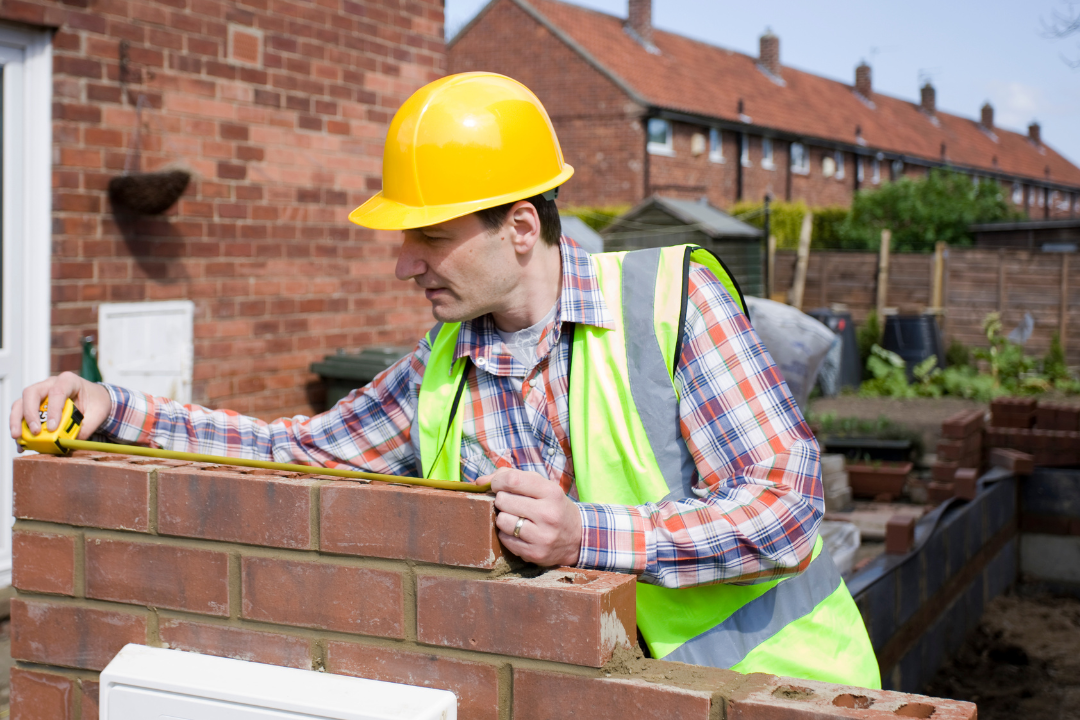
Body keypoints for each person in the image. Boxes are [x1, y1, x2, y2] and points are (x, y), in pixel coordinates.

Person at [11, 72, 879, 687]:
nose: (403, 264)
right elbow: (296, 451)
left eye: (428, 236)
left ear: (522, 227)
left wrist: (589, 535)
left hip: (782, 691)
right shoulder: (443, 364)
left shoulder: (671, 301)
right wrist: (116, 408)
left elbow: (787, 508)